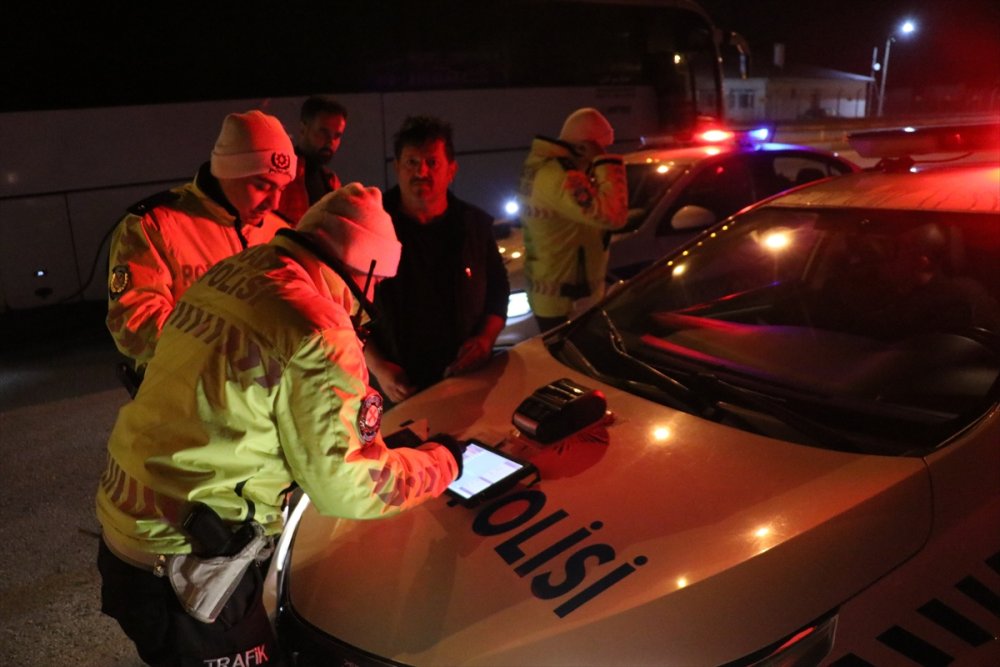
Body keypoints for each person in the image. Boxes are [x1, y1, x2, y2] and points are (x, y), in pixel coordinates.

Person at [95, 184, 464, 667]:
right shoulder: (320, 327)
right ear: (364, 267)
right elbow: (348, 488)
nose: (371, 296)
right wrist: (441, 463)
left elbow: (247, 404)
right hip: (187, 569)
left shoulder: (234, 272)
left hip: (130, 533)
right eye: (377, 282)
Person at [106, 110, 297, 388]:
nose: (274, 202)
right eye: (262, 185)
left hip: (264, 397)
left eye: (282, 188)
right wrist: (233, 357)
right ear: (228, 172)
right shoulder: (153, 225)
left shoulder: (279, 231)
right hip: (183, 396)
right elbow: (134, 322)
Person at [364, 116, 510, 403]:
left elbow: (498, 291)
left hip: (464, 381)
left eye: (432, 162)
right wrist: (379, 367)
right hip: (393, 390)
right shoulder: (368, 227)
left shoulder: (474, 227)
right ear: (397, 167)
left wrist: (485, 339)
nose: (422, 172)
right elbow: (343, 309)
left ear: (451, 170)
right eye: (412, 162)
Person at [518, 107, 628, 332]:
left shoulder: (545, 169)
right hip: (567, 304)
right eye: (601, 147)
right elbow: (614, 216)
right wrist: (603, 161)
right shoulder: (561, 178)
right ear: (582, 147)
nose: (602, 152)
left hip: (558, 300)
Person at [276, 95, 348, 225]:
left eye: (337, 135)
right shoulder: (281, 175)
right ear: (303, 128)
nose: (331, 141)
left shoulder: (332, 181)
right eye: (323, 132)